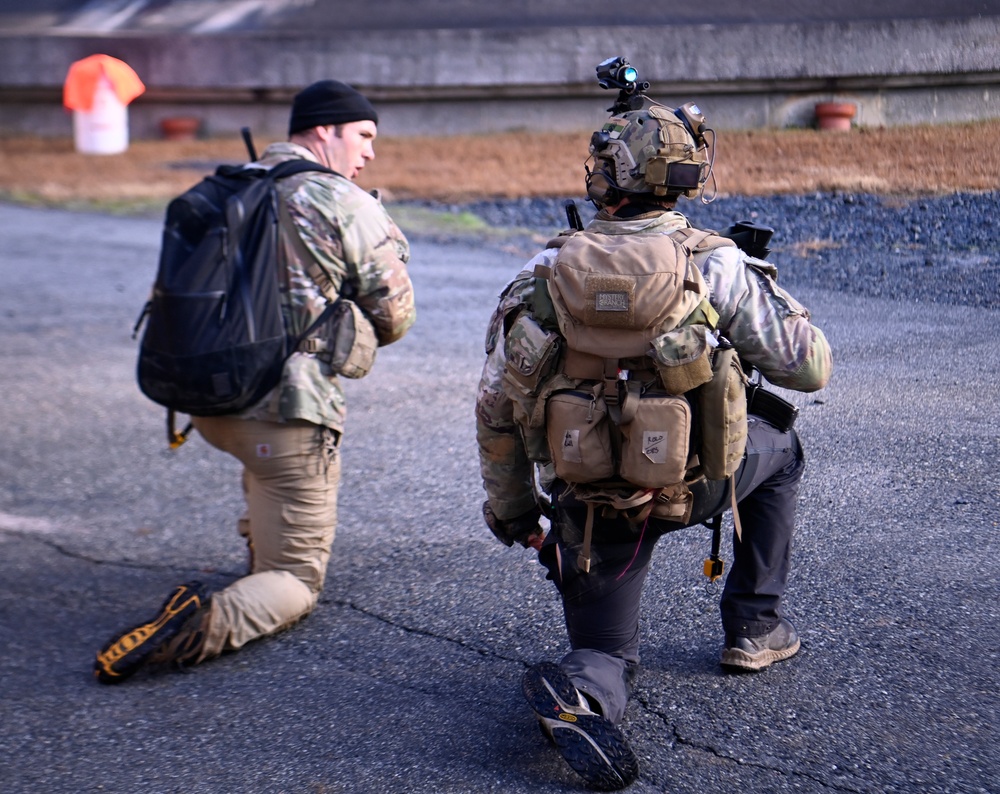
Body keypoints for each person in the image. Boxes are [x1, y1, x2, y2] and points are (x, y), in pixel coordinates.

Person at [475, 81, 832, 789]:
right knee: (782, 449)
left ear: (603, 180)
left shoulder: (544, 271)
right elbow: (810, 366)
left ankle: (583, 692)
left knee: (605, 656)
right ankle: (755, 627)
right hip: (696, 484)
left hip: (591, 506)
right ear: (684, 179)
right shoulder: (714, 264)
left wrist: (515, 512)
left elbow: (496, 407)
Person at [95, 80, 416, 683]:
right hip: (287, 414)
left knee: (263, 467)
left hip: (208, 403)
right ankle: (198, 626)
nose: (370, 153)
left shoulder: (227, 186)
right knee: (296, 579)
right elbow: (396, 317)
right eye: (364, 136)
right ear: (325, 131)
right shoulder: (339, 200)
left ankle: (258, 552)